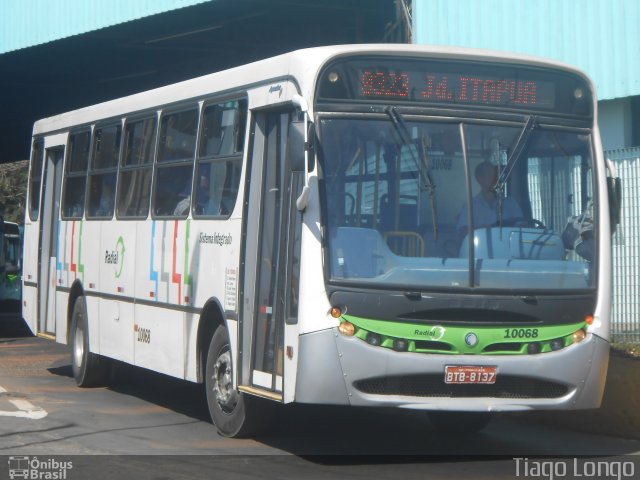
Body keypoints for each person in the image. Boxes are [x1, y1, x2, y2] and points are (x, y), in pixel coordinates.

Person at [457, 161, 523, 233]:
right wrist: (480, 230)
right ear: (480, 179)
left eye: (496, 176)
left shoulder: (511, 204)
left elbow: (523, 229)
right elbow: (462, 232)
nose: (495, 180)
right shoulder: (470, 206)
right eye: (490, 176)